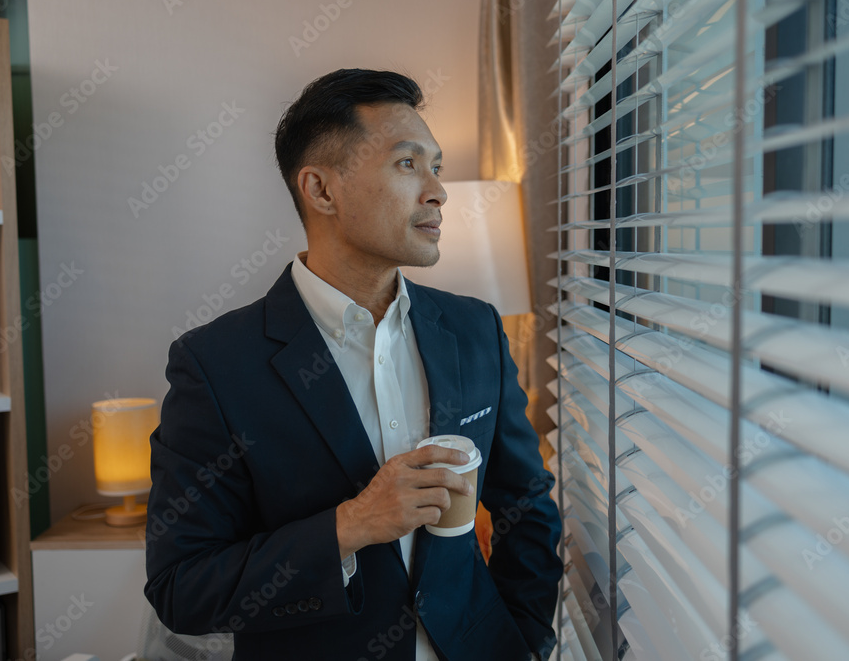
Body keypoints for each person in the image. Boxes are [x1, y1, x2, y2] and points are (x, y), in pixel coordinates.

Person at [143, 68, 563, 660]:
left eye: (436, 167)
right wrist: (351, 525)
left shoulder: (476, 330)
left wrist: (525, 642)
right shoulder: (215, 365)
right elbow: (182, 587)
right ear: (321, 191)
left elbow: (528, 509)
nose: (438, 192)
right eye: (407, 163)